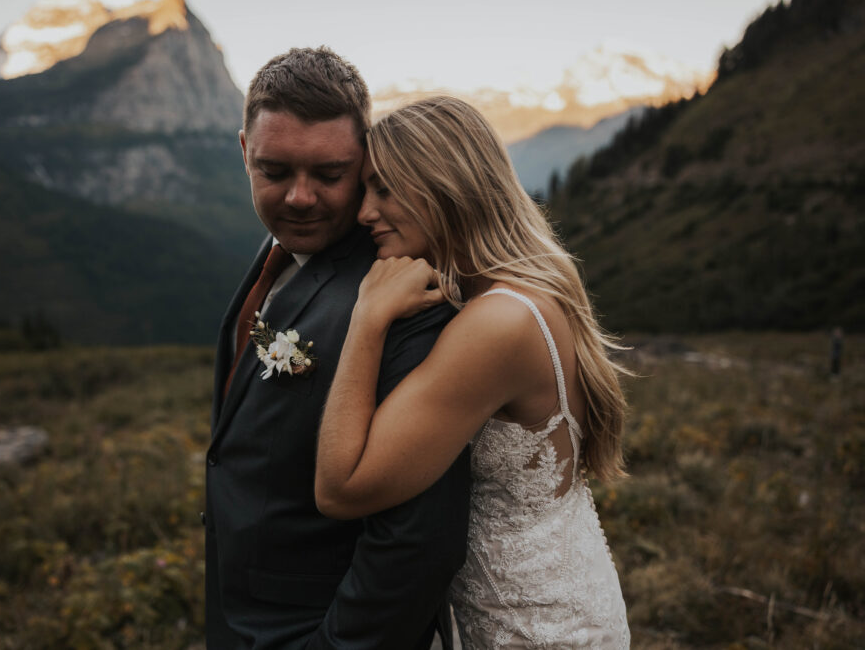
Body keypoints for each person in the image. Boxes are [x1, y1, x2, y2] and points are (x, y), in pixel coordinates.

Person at [315, 95, 631, 648]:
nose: (365, 212)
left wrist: (367, 319)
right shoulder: (527, 287)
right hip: (560, 606)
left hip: (535, 632)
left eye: (384, 188)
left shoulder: (497, 324)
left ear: (444, 184)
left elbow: (342, 489)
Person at [205, 49, 471, 649]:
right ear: (244, 150)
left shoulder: (399, 295)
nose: (300, 198)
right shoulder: (278, 251)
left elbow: (418, 540)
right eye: (274, 172)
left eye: (329, 175)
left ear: (366, 162)